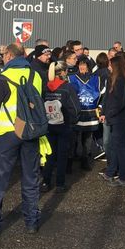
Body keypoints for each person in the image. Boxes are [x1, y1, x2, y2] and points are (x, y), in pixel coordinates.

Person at [0, 43, 44, 237]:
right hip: (31, 132)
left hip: (9, 132)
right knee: (31, 178)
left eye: (3, 55)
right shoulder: (36, 76)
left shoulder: (3, 78)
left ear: (9, 56)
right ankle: (31, 221)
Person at [41, 61, 80, 193]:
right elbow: (75, 108)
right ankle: (59, 183)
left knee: (49, 155)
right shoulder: (67, 87)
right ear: (63, 72)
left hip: (48, 125)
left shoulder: (45, 87)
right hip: (64, 125)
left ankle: (46, 182)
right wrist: (74, 121)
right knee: (62, 155)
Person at [99, 55, 125, 187]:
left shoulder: (120, 80)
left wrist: (109, 114)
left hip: (119, 118)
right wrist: (105, 112)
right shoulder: (115, 79)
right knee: (115, 146)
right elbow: (108, 99)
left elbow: (119, 102)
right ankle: (110, 172)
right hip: (116, 117)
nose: (108, 66)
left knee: (119, 147)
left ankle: (123, 177)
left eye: (110, 64)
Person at [69, 58, 104, 171]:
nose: (82, 67)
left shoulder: (96, 79)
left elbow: (103, 95)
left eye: (84, 65)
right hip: (76, 113)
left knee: (87, 139)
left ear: (88, 66)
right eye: (80, 64)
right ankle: (70, 160)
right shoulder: (71, 78)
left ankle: (85, 160)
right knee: (73, 138)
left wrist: (100, 107)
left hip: (90, 113)